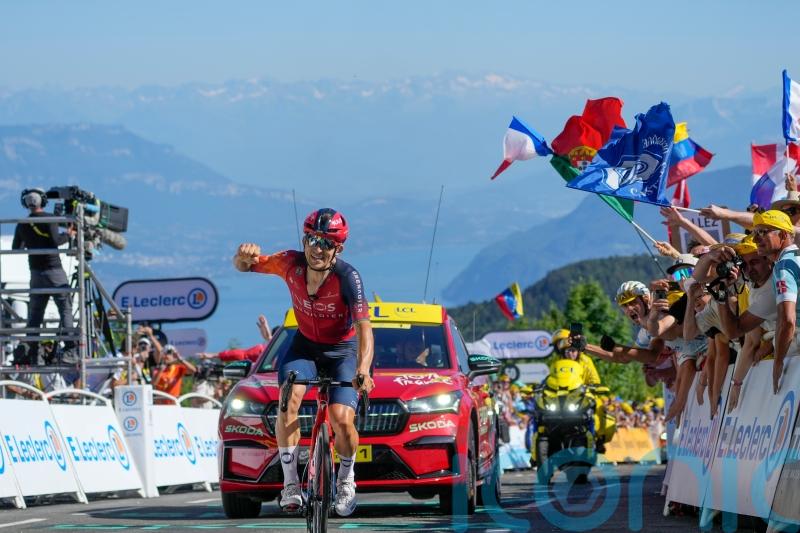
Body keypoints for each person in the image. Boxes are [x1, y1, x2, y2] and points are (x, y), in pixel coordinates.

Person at [233, 207, 374, 517]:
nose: (317, 248)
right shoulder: (289, 263)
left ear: (339, 248)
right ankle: (291, 484)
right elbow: (243, 266)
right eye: (312, 239)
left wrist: (363, 369)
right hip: (304, 346)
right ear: (304, 239)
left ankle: (346, 480)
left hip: (343, 350)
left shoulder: (348, 278)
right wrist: (243, 254)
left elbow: (365, 328)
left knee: (341, 418)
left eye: (326, 242)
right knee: (289, 399)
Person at [12, 188, 76, 364]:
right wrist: (68, 235)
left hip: (36, 274)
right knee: (65, 309)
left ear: (26, 203)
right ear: (43, 201)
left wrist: (32, 242)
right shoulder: (50, 219)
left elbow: (16, 247)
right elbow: (56, 241)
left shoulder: (22, 224)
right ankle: (71, 349)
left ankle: (33, 354)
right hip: (55, 272)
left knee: (35, 315)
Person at [749, 210, 798, 393]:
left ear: (783, 235)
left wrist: (778, 362)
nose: (755, 239)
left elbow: (787, 321)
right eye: (755, 233)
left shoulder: (784, 266)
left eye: (763, 232)